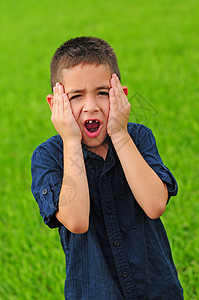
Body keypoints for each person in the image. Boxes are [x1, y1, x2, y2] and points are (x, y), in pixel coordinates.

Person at [31, 36, 183, 299]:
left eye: (102, 93)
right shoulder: (49, 156)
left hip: (155, 288)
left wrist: (120, 135)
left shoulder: (138, 138)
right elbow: (76, 221)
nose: (91, 106)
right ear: (56, 104)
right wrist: (70, 140)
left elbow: (155, 204)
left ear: (120, 95)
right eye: (76, 97)